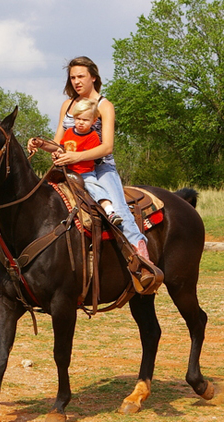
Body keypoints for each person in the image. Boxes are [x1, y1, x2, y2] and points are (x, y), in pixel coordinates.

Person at [28, 56, 154, 286]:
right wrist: (41, 144)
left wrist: (76, 156)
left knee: (119, 209)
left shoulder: (104, 105)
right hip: (68, 167)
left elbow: (107, 146)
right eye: (73, 77)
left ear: (93, 77)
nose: (76, 81)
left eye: (81, 76)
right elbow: (59, 142)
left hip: (100, 167)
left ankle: (142, 260)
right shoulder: (67, 106)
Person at [32, 98, 123, 226]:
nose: (80, 122)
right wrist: (51, 149)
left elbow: (87, 155)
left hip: (85, 173)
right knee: (47, 186)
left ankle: (110, 211)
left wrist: (71, 156)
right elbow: (61, 147)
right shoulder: (69, 132)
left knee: (95, 188)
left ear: (94, 121)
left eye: (85, 120)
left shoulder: (92, 137)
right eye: (78, 118)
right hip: (66, 172)